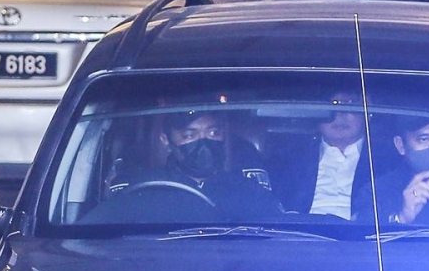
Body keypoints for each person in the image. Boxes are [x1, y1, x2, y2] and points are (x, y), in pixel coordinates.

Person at [108, 110, 282, 221]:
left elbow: (275, 233)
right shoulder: (145, 190)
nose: (203, 142)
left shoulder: (246, 190)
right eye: (189, 135)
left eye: (213, 133)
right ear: (166, 140)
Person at [267, 94, 384, 219]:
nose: (340, 114)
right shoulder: (288, 158)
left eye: (349, 103)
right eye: (331, 105)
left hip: (363, 236)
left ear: (367, 110)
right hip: (299, 234)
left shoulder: (388, 159)